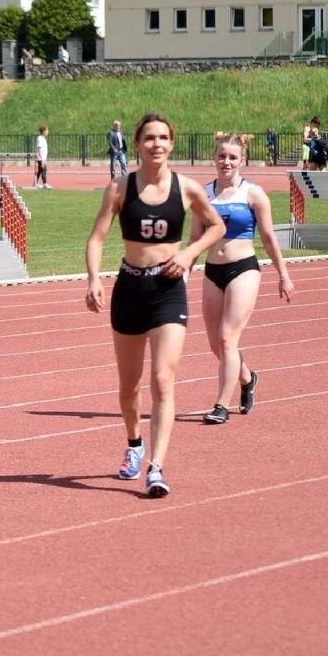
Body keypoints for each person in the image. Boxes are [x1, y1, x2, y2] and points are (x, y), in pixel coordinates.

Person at [85, 112, 225, 497]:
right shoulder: (119, 188)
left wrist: (189, 253)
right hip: (129, 289)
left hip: (168, 291)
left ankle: (157, 467)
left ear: (172, 144)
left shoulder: (188, 189)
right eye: (149, 138)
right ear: (137, 143)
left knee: (163, 380)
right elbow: (97, 237)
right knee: (129, 387)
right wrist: (94, 278)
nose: (157, 144)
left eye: (163, 138)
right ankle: (134, 444)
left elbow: (217, 226)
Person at [198, 134, 294, 424]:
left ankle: (220, 405)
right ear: (214, 158)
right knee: (216, 345)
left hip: (243, 269)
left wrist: (283, 275)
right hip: (212, 271)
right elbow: (195, 238)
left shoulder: (253, 194)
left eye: (232, 157)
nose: (226, 162)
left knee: (228, 338)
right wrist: (181, 265)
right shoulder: (203, 194)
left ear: (242, 161)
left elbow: (268, 237)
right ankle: (247, 378)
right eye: (221, 156)